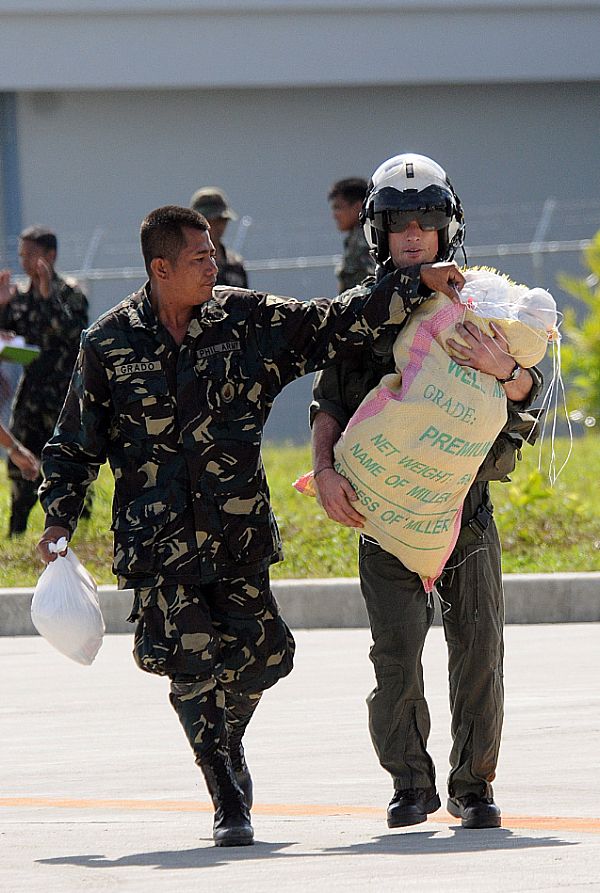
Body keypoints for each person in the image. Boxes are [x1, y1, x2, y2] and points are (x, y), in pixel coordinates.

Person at [35, 205, 463, 848]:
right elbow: (74, 446)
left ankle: (222, 738)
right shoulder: (109, 345)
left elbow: (332, 323)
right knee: (191, 662)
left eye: (213, 254)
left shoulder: (245, 321)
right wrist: (57, 520)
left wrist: (413, 285)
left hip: (237, 533)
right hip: (160, 544)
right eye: (201, 258)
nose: (216, 263)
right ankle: (226, 792)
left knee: (265, 658)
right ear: (161, 268)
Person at [311, 154, 543, 831]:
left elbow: (533, 394)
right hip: (385, 514)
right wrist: (325, 472)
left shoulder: (481, 299)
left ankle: (473, 784)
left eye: (428, 220)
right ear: (377, 233)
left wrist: (507, 371)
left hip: (464, 506)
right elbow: (328, 403)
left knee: (479, 648)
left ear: (449, 228)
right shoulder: (360, 312)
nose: (413, 233)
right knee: (395, 656)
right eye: (398, 222)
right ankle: (410, 782)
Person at [0, 226, 89, 535]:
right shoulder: (19, 298)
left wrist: (48, 293)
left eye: (31, 254)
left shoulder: (71, 293)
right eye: (22, 255)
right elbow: (5, 333)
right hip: (31, 393)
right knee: (19, 464)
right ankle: (17, 531)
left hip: (65, 395)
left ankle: (80, 526)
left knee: (68, 460)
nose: (25, 262)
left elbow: (70, 332)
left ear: (51, 255)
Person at [190, 187, 248, 288]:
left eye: (221, 220)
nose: (217, 227)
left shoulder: (235, 264)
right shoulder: (185, 263)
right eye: (210, 220)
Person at [328, 177, 375, 293]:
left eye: (338, 208)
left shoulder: (366, 239)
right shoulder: (356, 237)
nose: (334, 215)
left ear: (358, 207)